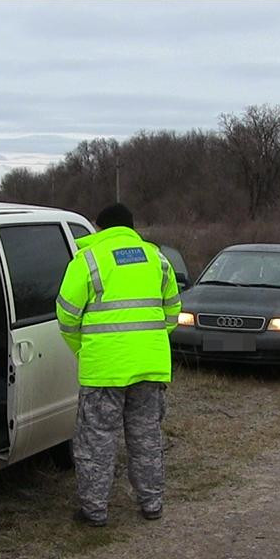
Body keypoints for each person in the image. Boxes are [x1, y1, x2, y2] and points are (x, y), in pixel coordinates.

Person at [55, 203, 181, 526]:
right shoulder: (157, 259)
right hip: (149, 367)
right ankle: (152, 504)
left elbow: (67, 315)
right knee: (146, 437)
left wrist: (83, 348)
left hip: (104, 370)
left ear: (99, 227)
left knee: (96, 441)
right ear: (131, 226)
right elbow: (172, 310)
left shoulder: (88, 260)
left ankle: (94, 511)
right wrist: (148, 342)